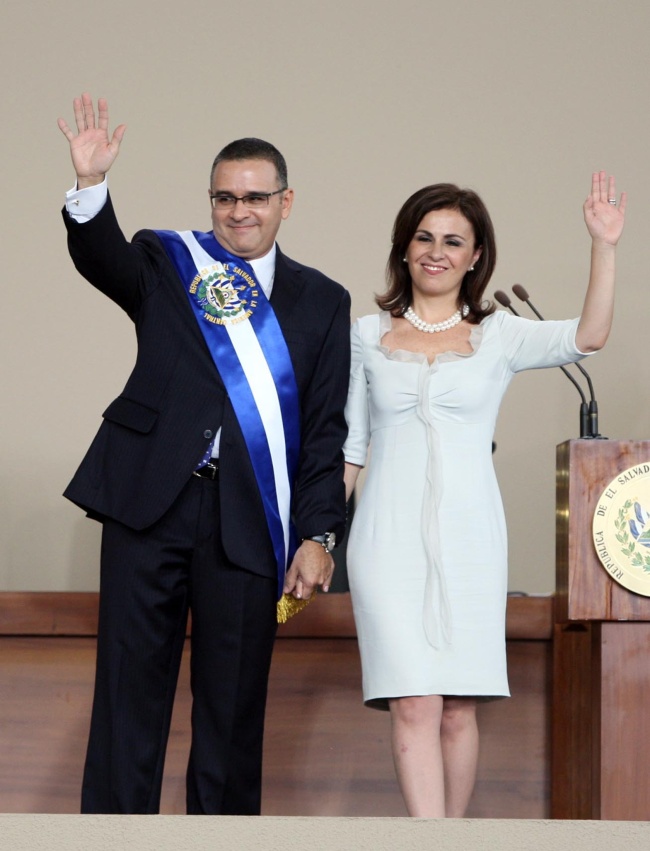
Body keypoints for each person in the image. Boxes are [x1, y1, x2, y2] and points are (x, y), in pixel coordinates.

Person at [57, 93, 351, 815]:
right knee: (127, 691)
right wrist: (91, 185)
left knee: (233, 703)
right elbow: (103, 261)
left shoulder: (323, 301)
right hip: (149, 502)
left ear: (286, 203)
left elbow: (322, 434)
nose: (238, 211)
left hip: (248, 518)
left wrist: (318, 535)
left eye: (255, 197)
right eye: (224, 197)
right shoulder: (170, 261)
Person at [342, 173, 626, 817]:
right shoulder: (364, 335)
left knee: (457, 707)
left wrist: (604, 246)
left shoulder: (499, 334)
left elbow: (588, 336)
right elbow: (351, 449)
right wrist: (315, 535)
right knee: (413, 699)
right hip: (385, 541)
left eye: (453, 241)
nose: (436, 252)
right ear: (404, 247)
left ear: (475, 257)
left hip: (471, 538)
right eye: (424, 237)